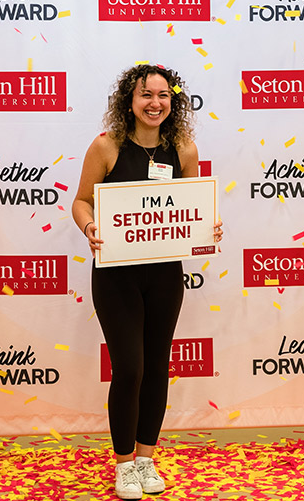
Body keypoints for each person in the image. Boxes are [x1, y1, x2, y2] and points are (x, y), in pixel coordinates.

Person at [72, 64, 223, 500]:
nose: (155, 103)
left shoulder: (184, 149)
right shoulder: (107, 146)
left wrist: (207, 227)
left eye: (163, 95)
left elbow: (193, 208)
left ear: (173, 101)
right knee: (130, 368)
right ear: (129, 101)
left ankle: (145, 459)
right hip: (115, 276)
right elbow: (82, 202)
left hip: (164, 276)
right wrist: (89, 228)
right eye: (145, 95)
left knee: (158, 366)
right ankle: (122, 465)